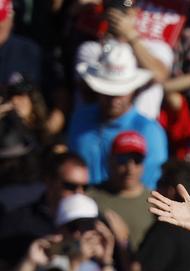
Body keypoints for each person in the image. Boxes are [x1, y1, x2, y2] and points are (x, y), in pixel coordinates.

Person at [69, 40, 168, 189]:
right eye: (108, 91)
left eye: (121, 92)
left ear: (133, 90)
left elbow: (148, 187)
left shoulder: (150, 131)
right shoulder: (80, 118)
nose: (114, 98)